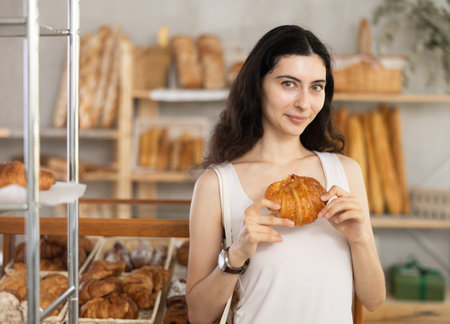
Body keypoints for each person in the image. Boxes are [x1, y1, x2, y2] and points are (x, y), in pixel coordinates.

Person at [186, 25, 385, 324]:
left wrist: (361, 240)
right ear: (257, 85)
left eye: (316, 86)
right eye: (289, 84)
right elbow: (199, 316)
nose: (304, 103)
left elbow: (373, 300)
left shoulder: (344, 172)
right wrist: (237, 255)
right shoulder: (216, 185)